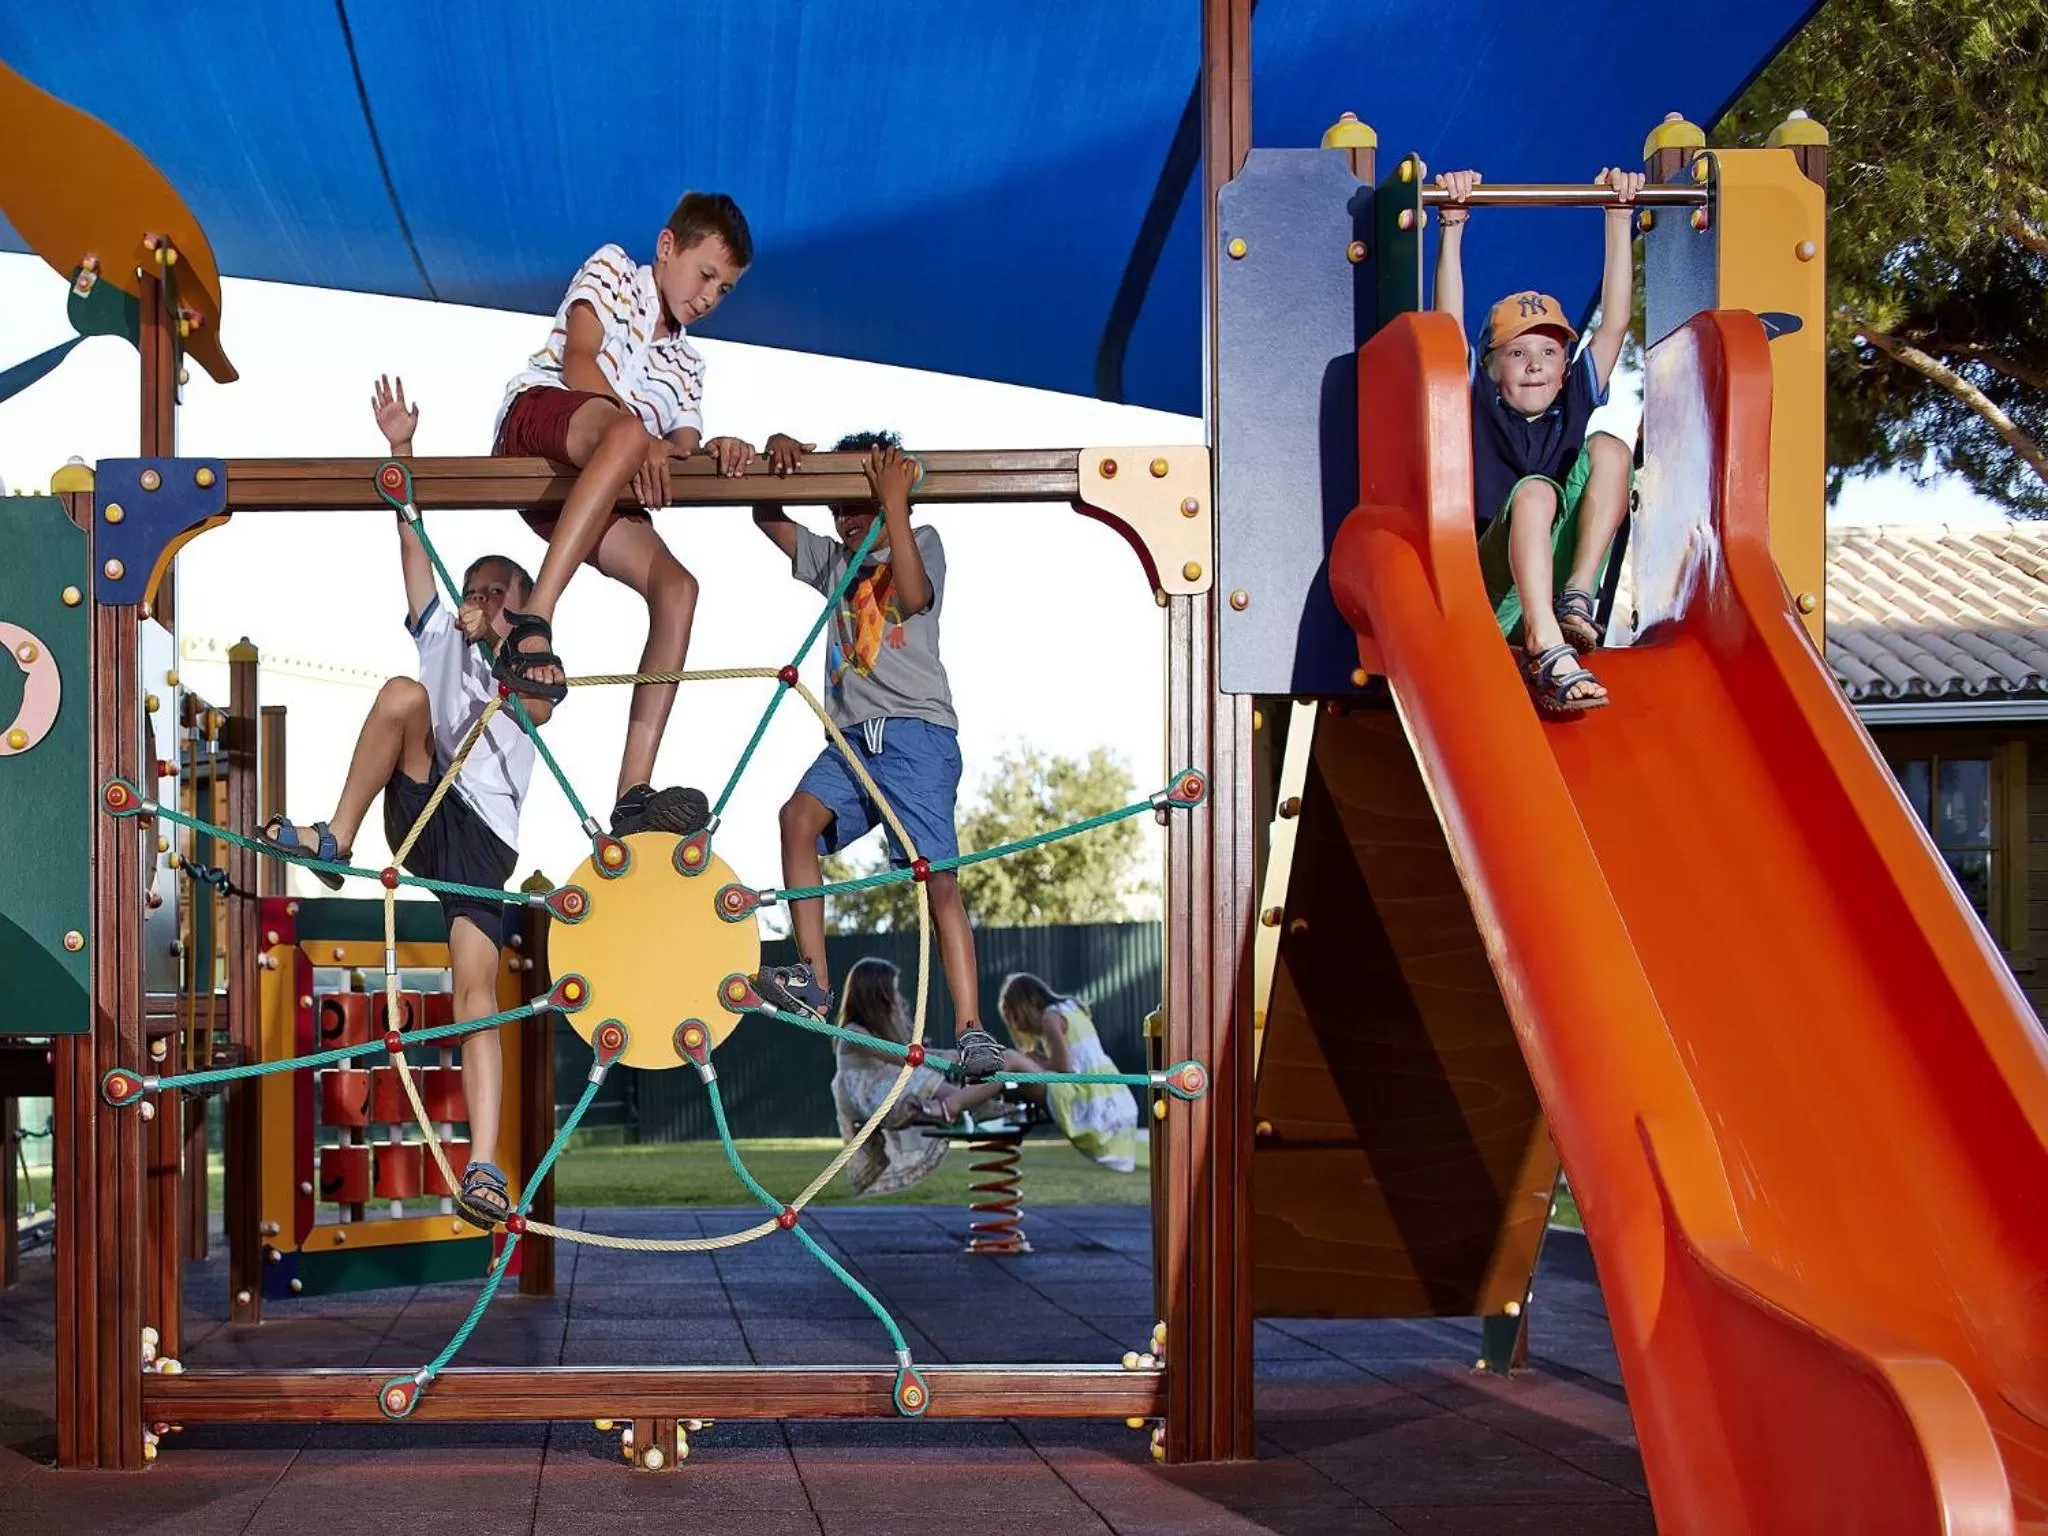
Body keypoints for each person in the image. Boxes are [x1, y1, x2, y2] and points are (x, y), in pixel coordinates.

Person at [255, 376, 543, 1229]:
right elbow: (414, 545)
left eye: (503, 594)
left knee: (475, 992)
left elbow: (538, 688)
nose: (485, 602)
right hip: (421, 808)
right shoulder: (442, 638)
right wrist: (401, 452)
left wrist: (507, 636)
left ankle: (486, 1169)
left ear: (527, 611)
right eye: (479, 590)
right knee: (399, 693)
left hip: (483, 839)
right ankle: (337, 841)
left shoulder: (531, 662)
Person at [489, 191, 808, 835]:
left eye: (726, 289)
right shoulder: (613, 269)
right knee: (630, 436)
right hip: (543, 426)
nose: (711, 296)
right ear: (667, 248)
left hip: (597, 490)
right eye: (706, 274)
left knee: (679, 588)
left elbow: (680, 450)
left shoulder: (689, 366)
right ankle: (535, 620)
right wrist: (645, 438)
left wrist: (719, 449)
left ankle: (632, 792)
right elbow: (579, 360)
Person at [748, 432, 1005, 1082]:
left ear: (892, 502)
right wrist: (782, 458)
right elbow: (764, 513)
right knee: (795, 819)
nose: (847, 521)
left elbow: (913, 597)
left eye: (858, 506)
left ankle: (973, 1028)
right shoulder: (834, 563)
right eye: (837, 509)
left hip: (916, 735)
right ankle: (813, 979)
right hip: (852, 740)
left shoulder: (921, 546)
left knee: (936, 878)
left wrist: (893, 502)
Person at [1432, 165, 1643, 713]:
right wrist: (1452, 224)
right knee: (1536, 491)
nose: (1535, 366)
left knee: (1611, 449)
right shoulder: (1473, 403)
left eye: (1550, 353)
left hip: (1549, 569)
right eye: (1517, 353)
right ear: (1493, 366)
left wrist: (1618, 217)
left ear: (1564, 365)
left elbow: (1615, 322)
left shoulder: (1573, 398)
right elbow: (1447, 325)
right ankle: (1545, 644)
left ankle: (1576, 597)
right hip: (1491, 588)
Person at [892, 973, 1139, 1173]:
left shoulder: (1051, 1018)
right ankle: (989, 1103)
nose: (1018, 1027)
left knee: (1009, 1058)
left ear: (1028, 1004)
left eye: (1014, 1017)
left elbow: (1064, 1069)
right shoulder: (1071, 1009)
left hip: (1085, 1099)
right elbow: (1072, 1062)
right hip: (1109, 1100)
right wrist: (1038, 1061)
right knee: (1016, 1071)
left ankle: (951, 1105)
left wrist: (1033, 1062)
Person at [830, 958, 954, 1197]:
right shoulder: (853, 1032)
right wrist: (943, 1057)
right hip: (871, 1100)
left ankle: (955, 1106)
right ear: (878, 996)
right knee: (921, 1076)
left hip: (878, 1095)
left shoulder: (868, 1030)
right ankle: (968, 1103)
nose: (898, 999)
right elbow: (900, 1058)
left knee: (925, 1079)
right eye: (893, 992)